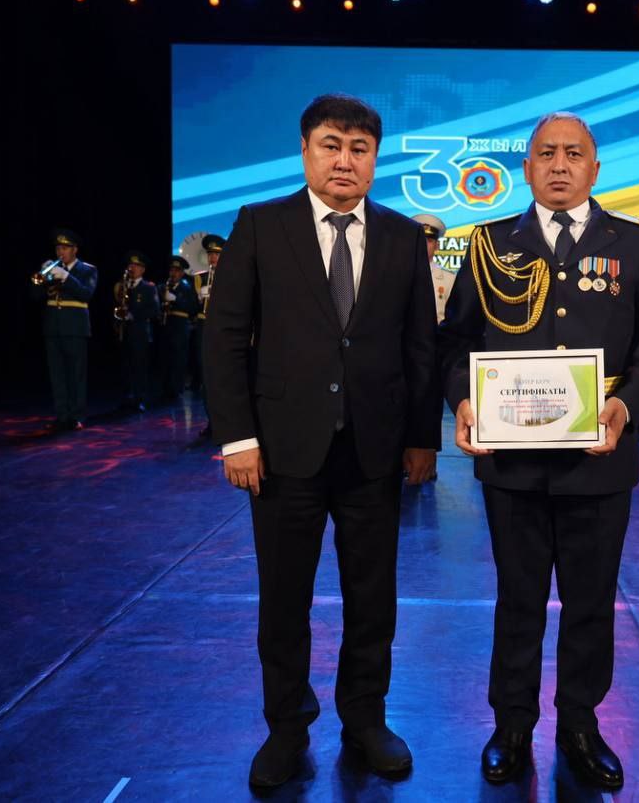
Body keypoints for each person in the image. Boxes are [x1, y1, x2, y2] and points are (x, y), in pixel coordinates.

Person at [439, 112, 639, 790]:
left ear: (595, 168)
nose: (560, 164)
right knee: (517, 599)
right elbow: (455, 340)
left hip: (599, 456)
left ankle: (579, 723)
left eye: (574, 153)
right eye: (546, 153)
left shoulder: (634, 243)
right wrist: (463, 399)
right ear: (527, 167)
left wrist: (627, 404)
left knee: (590, 601)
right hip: (512, 461)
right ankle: (512, 724)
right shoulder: (490, 243)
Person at [205, 93, 440, 789]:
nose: (345, 160)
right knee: (284, 598)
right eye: (331, 145)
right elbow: (224, 339)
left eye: (359, 148)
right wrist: (237, 438)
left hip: (374, 451)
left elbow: (419, 347)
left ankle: (365, 718)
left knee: (374, 598)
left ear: (375, 159)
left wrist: (422, 439)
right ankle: (286, 726)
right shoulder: (260, 225)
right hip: (282, 452)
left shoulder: (402, 236)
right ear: (305, 150)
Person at [30, 230, 96, 431]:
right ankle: (62, 415)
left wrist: (67, 277)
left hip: (75, 328)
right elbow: (35, 296)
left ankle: (77, 416)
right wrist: (43, 275)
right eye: (58, 247)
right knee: (57, 375)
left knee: (76, 374)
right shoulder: (52, 269)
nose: (61, 252)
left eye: (65, 248)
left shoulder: (88, 270)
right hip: (53, 327)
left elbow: (86, 294)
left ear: (75, 250)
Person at [115, 251, 159, 412]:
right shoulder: (122, 285)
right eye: (130, 265)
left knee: (139, 366)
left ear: (142, 269)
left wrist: (133, 315)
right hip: (124, 331)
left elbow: (155, 310)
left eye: (136, 265)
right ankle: (127, 396)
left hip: (140, 332)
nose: (132, 268)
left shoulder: (148, 287)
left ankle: (139, 398)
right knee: (125, 366)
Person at [192, 234, 225, 437]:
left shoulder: (230, 275)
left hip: (222, 328)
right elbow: (190, 308)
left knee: (223, 376)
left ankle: (225, 422)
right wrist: (198, 298)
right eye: (210, 254)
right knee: (206, 374)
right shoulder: (200, 278)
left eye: (216, 254)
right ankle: (211, 422)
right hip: (204, 326)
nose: (212, 258)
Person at [158, 255, 199, 400]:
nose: (173, 273)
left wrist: (176, 299)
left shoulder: (187, 288)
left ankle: (176, 389)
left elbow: (193, 308)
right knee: (165, 357)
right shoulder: (163, 287)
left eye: (177, 271)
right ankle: (165, 388)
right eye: (171, 270)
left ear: (182, 273)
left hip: (180, 327)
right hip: (166, 325)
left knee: (178, 358)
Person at [414, 213, 457, 323]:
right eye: (420, 239)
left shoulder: (450, 280)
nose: (423, 244)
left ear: (437, 246)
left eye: (429, 240)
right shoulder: (397, 275)